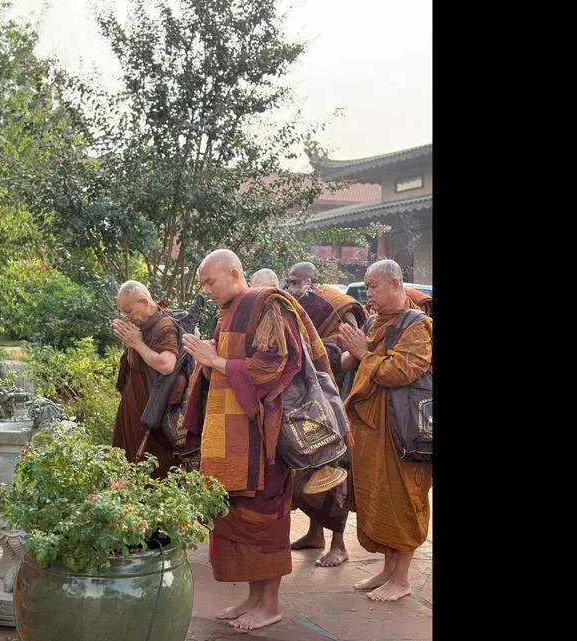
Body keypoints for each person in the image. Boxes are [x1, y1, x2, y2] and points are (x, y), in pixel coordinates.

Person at [180, 249, 331, 631]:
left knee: (265, 519)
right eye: (202, 283)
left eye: (210, 281)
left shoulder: (266, 304)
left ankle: (270, 604)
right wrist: (207, 362)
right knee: (235, 517)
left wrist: (215, 361)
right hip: (231, 440)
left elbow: (274, 366)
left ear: (234, 273)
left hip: (262, 438)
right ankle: (253, 598)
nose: (206, 290)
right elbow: (223, 367)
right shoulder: (229, 311)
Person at [336, 259, 432, 602]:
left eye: (373, 286)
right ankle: (388, 570)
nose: (369, 294)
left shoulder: (417, 325)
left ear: (395, 284)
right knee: (378, 497)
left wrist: (364, 353)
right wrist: (352, 353)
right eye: (366, 287)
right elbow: (352, 363)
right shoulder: (375, 321)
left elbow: (402, 371)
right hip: (373, 430)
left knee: (403, 499)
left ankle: (402, 579)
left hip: (402, 431)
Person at [281, 261, 366, 567]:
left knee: (333, 469)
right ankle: (314, 534)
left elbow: (348, 351)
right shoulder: (297, 307)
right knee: (308, 467)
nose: (291, 287)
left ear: (313, 282)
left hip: (334, 395)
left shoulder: (338, 308)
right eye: (289, 281)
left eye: (296, 281)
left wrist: (318, 353)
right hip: (306, 394)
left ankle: (339, 545)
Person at [111, 280, 183, 478]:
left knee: (153, 469)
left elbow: (166, 364)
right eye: (124, 313)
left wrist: (137, 343)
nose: (127, 317)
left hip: (152, 414)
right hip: (134, 408)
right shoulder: (142, 325)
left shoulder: (164, 325)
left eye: (129, 311)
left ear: (143, 302)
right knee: (128, 466)